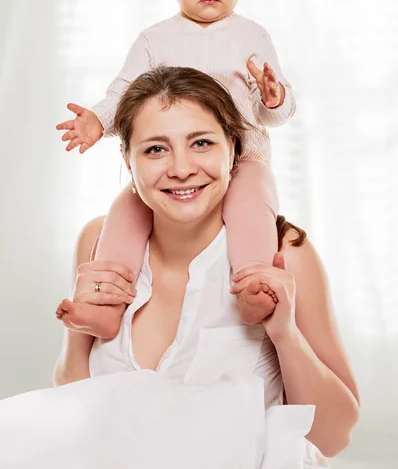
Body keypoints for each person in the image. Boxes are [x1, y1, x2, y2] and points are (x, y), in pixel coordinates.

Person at [54, 67, 360, 464]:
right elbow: (72, 401)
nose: (181, 169)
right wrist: (78, 327)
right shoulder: (97, 241)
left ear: (232, 150)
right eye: (156, 149)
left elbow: (334, 438)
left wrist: (284, 335)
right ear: (128, 161)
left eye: (200, 143)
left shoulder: (285, 254)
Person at [55, 0, 296, 329]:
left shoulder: (252, 36)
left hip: (243, 160)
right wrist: (97, 119)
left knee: (251, 207)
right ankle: (106, 304)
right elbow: (126, 93)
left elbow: (273, 114)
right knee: (125, 212)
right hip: (170, 158)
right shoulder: (155, 39)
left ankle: (254, 286)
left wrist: (273, 99)